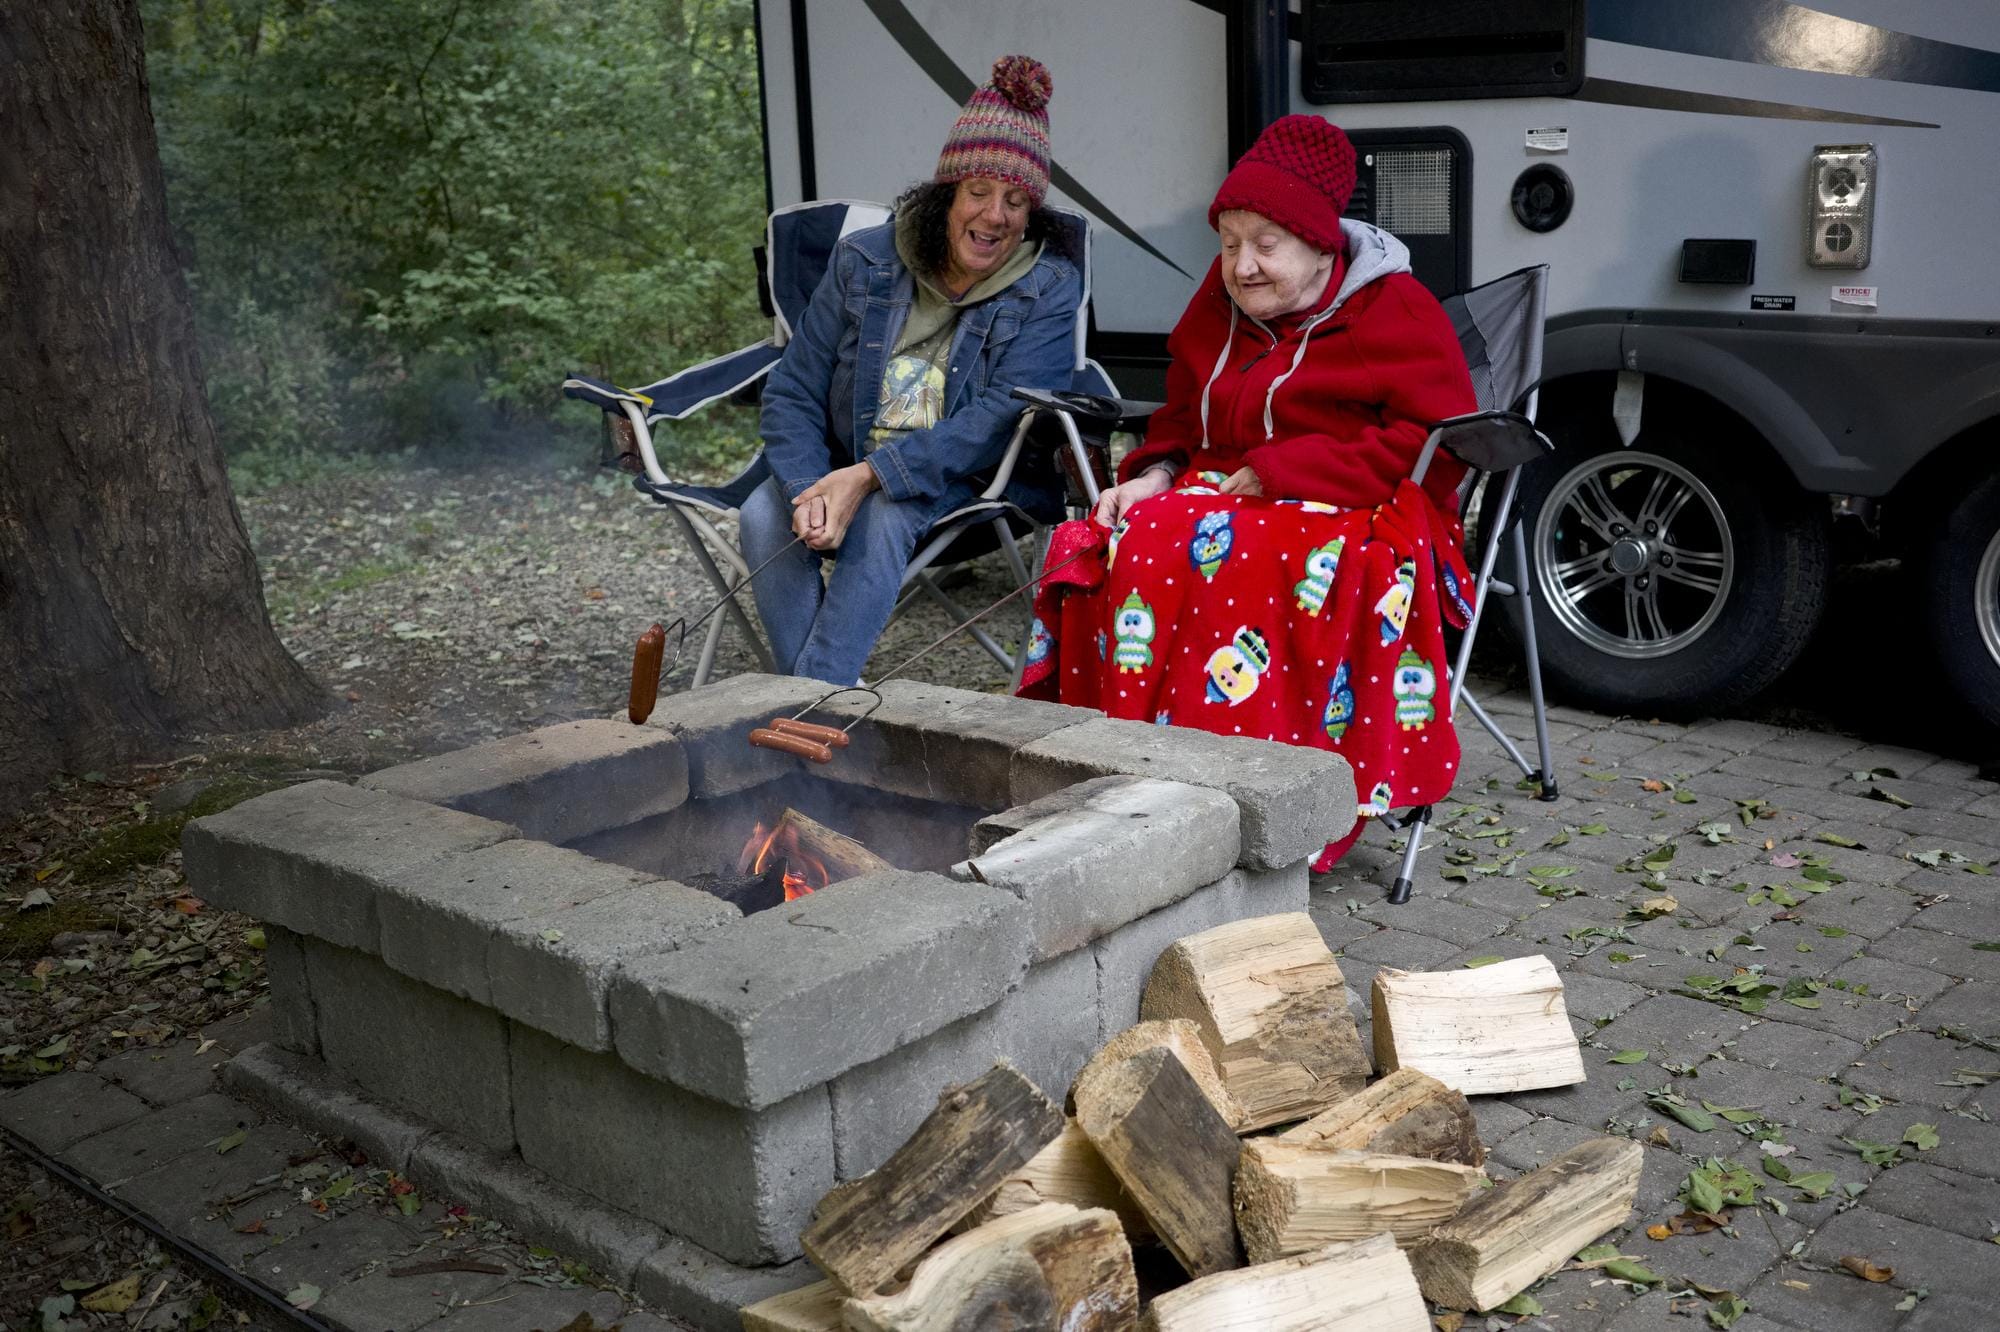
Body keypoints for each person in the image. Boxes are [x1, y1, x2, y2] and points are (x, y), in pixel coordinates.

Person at [1019, 115, 1480, 872]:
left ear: (1321, 243)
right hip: (1221, 488)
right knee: (1104, 541)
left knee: (1251, 564)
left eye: (1266, 244)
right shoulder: (1218, 302)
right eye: (1230, 243)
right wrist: (1150, 477)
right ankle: (1124, 779)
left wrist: (1287, 470)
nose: (1242, 265)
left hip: (1355, 504)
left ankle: (1267, 805)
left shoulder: (1391, 308)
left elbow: (1433, 445)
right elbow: (1176, 412)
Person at [734, 55, 1082, 685]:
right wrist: (814, 484)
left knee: (887, 508)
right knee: (764, 512)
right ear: (946, 194)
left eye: (1015, 200)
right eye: (979, 192)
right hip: (847, 463)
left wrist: (868, 477)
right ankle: (825, 705)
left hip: (972, 486)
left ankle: (812, 701)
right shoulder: (863, 262)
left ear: (1032, 212)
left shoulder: (1048, 285)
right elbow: (792, 390)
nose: (995, 216)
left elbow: (1000, 418)